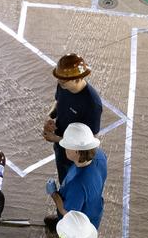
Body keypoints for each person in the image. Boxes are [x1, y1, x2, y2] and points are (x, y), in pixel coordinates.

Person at [42, 53, 103, 185]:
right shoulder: (63, 85)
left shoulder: (92, 104)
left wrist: (57, 139)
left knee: (73, 186)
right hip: (61, 146)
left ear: (78, 79)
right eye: (59, 80)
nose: (59, 83)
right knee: (64, 179)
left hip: (77, 156)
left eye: (63, 81)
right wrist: (50, 117)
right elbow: (58, 102)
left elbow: (89, 143)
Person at [46, 123, 107, 230]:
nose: (64, 149)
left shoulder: (77, 184)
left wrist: (53, 193)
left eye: (67, 147)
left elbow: (67, 213)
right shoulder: (100, 155)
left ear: (76, 150)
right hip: (93, 211)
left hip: (78, 225)